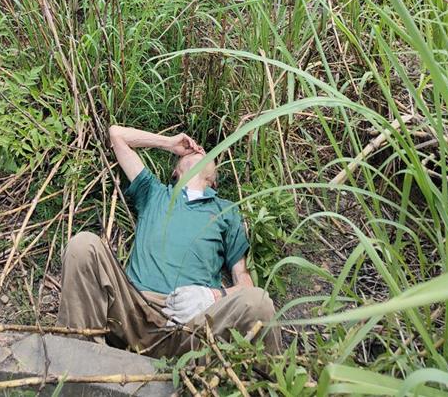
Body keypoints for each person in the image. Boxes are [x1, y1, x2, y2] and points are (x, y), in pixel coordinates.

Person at [56, 124, 280, 358]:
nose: (200, 151)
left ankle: (263, 378)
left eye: (207, 153)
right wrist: (169, 143)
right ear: (174, 173)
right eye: (193, 152)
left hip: (193, 326)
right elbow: (116, 135)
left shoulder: (226, 211)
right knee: (83, 246)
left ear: (214, 181)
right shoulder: (154, 192)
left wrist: (211, 297)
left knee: (260, 301)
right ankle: (77, 360)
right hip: (134, 310)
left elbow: (245, 283)